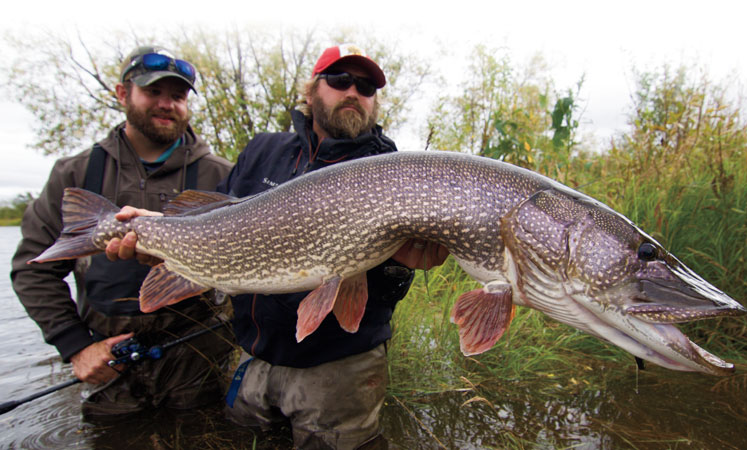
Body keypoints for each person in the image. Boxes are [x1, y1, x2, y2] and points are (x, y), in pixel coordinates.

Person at [106, 43, 448, 448]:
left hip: (339, 372)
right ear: (311, 91)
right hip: (254, 357)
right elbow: (211, 219)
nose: (353, 92)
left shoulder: (390, 171)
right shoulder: (264, 150)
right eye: (339, 80)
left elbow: (391, 290)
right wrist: (166, 240)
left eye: (366, 87)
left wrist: (398, 267)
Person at [11, 45, 234, 416]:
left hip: (198, 359)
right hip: (108, 358)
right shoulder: (75, 173)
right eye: (153, 92)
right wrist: (76, 346)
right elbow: (33, 270)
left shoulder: (221, 174)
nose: (167, 104)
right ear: (122, 93)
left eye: (177, 96)